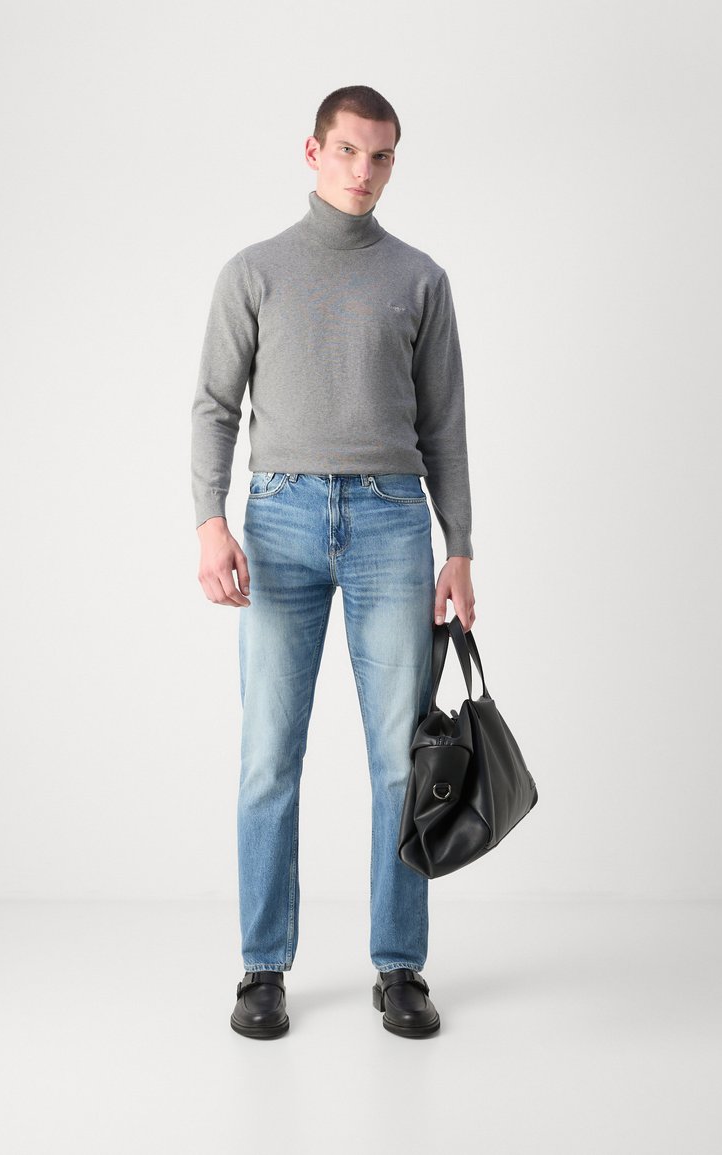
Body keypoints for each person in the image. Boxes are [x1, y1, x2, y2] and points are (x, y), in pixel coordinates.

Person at [191, 86, 476, 1039]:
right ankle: (261, 967)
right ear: (312, 152)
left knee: (401, 757)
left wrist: (459, 546)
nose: (364, 171)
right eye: (348, 150)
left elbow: (444, 424)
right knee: (269, 754)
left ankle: (400, 965)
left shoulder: (420, 279)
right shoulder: (255, 271)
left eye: (381, 156)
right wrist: (209, 522)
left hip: (394, 522)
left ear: (394, 163)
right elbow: (214, 406)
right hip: (280, 519)